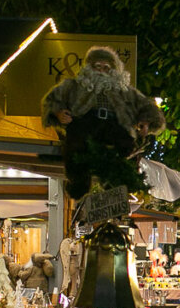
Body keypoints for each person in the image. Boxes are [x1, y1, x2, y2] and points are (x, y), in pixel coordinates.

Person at [41, 46, 165, 199]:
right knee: (75, 149)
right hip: (84, 124)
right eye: (97, 66)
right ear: (89, 67)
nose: (101, 71)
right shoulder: (73, 86)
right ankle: (78, 183)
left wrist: (145, 122)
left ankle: (116, 184)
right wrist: (58, 112)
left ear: (113, 70)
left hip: (114, 125)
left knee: (124, 147)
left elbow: (148, 107)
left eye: (106, 67)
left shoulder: (125, 91)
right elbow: (51, 100)